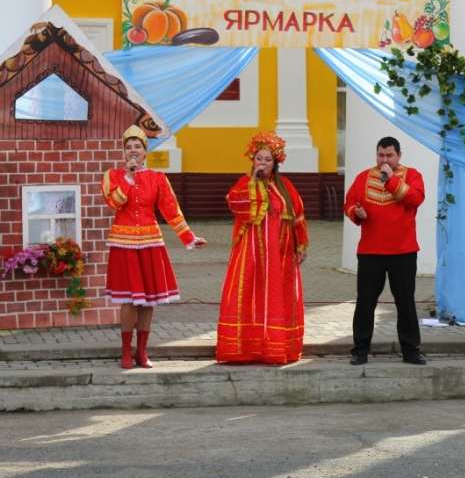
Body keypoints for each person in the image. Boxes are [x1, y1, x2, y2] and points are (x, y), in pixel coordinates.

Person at [102, 125, 206, 369]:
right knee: (129, 300)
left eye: (137, 147)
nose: (133, 151)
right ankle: (126, 352)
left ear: (145, 151)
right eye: (128, 148)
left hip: (150, 243)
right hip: (124, 245)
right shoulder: (113, 176)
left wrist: (189, 237)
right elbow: (113, 204)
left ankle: (143, 351)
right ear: (123, 152)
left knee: (148, 300)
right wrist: (128, 178)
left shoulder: (158, 178)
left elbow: (171, 210)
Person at [216, 131, 309, 364]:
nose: (263, 163)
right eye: (259, 159)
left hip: (281, 255)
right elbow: (235, 204)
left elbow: (298, 217)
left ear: (275, 162)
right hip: (251, 254)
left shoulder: (286, 186)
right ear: (252, 160)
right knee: (249, 295)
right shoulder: (243, 183)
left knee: (278, 298)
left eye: (268, 160)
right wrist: (254, 183)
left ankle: (277, 347)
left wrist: (301, 245)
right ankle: (246, 348)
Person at [344, 136, 426, 365]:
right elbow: (349, 203)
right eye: (381, 155)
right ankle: (360, 350)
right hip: (370, 251)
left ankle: (411, 351)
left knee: (405, 302)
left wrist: (391, 179)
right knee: (365, 302)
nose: (384, 160)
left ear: (399, 156)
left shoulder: (412, 175)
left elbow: (415, 199)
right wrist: (355, 213)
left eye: (389, 155)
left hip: (403, 251)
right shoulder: (363, 177)